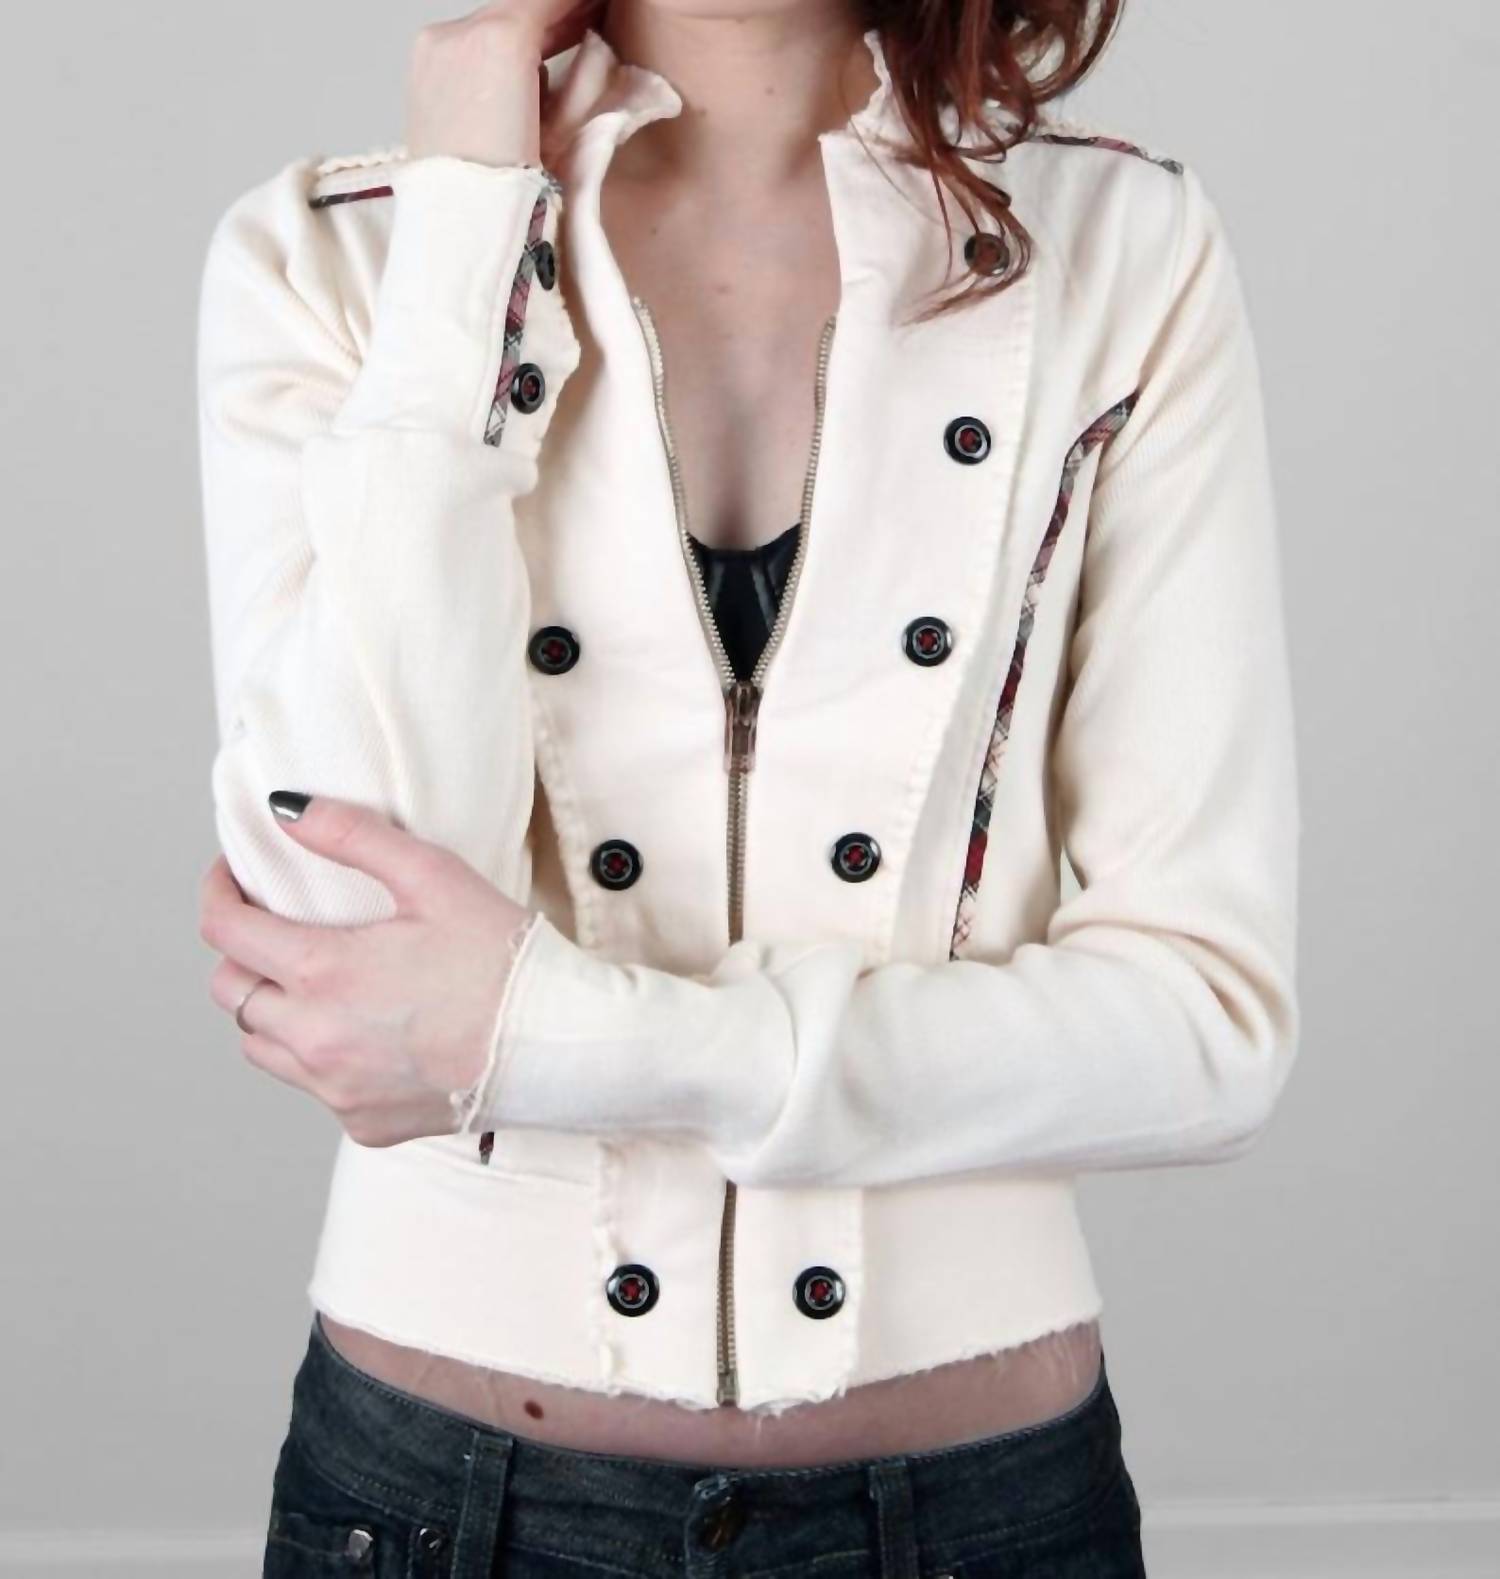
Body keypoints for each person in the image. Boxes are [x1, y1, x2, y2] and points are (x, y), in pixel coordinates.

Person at [195, 0, 1299, 1571]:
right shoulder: (338, 255)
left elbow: (1205, 1026)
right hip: (438, 1507)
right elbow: (347, 927)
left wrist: (562, 1038)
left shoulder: (1123, 250)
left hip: (979, 1515)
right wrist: (465, 236)